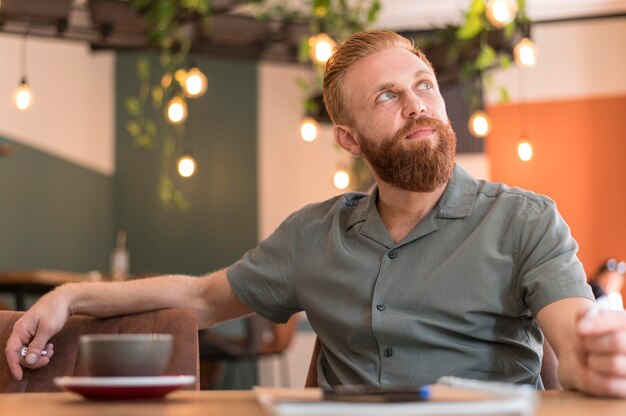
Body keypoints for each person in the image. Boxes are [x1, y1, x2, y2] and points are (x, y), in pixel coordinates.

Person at [6, 30, 626, 397]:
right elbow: (201, 296)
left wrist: (600, 362)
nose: (417, 106)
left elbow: (573, 343)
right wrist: (71, 297)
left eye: (424, 85)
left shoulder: (527, 221)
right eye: (388, 96)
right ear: (349, 139)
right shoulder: (313, 233)